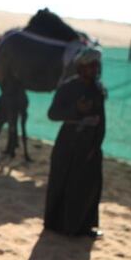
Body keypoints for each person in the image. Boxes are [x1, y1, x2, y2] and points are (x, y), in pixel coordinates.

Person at [44, 47, 106, 238]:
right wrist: (76, 111)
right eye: (90, 65)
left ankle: (83, 228)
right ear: (82, 67)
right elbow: (53, 114)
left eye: (96, 65)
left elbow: (101, 120)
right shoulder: (68, 87)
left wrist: (95, 146)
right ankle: (58, 226)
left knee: (88, 187)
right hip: (68, 145)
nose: (94, 69)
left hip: (90, 146)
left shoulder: (98, 90)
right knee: (63, 183)